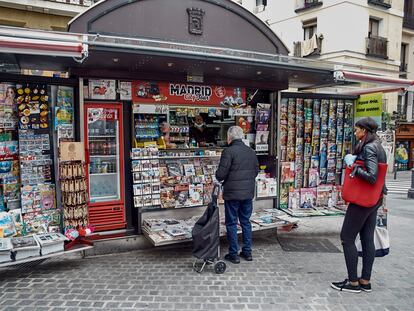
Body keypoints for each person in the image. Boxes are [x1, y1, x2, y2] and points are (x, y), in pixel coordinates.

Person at [331, 117, 387, 293]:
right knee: (366, 238)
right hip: (374, 199)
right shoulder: (379, 146)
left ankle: (353, 282)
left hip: (363, 200)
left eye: (357, 130)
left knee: (347, 238)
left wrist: (353, 166)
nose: (355, 133)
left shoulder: (370, 147)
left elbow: (372, 176)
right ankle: (365, 281)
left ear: (365, 130)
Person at [215, 126, 259, 264]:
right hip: (247, 193)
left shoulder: (228, 151)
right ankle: (247, 252)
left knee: (232, 223)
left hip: (232, 194)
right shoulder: (251, 152)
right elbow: (256, 171)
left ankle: (233, 254)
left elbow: (220, 174)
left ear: (229, 138)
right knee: (246, 222)